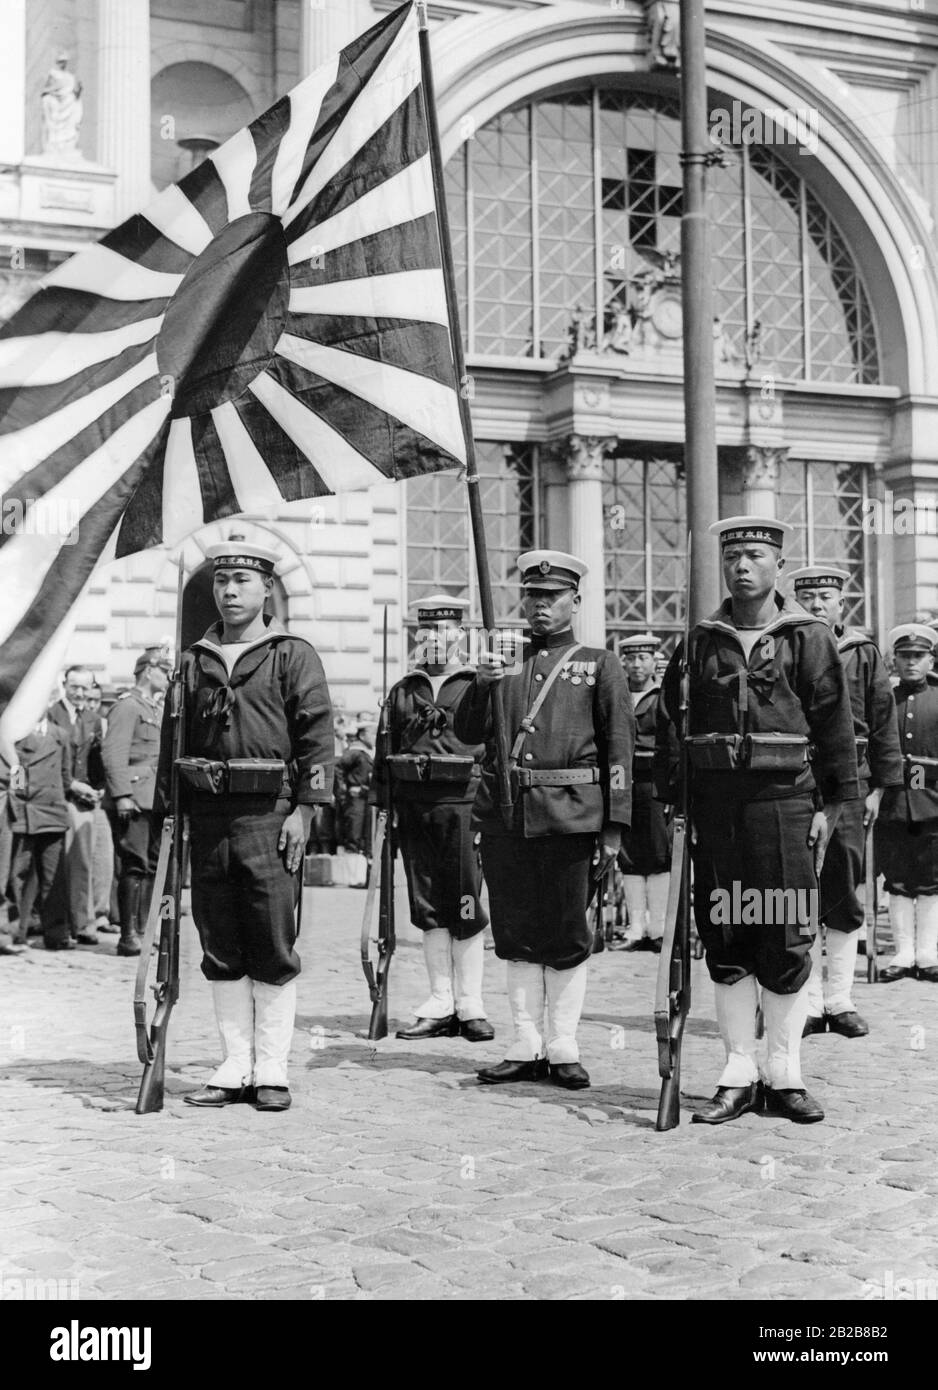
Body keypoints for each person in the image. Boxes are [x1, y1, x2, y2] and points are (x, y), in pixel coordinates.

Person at [655, 517, 858, 1125]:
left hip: (785, 804)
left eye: (754, 556)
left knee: (785, 928)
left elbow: (835, 725)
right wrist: (677, 803)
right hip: (717, 810)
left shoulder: (808, 637)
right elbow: (671, 724)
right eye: (733, 556)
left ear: (777, 564)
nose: (742, 566)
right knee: (728, 928)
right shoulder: (700, 640)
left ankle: (784, 1071)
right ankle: (738, 1069)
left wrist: (834, 803)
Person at [157, 534, 334, 1112]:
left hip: (269, 817)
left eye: (242, 582)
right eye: (220, 582)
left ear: (266, 589)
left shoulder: (291, 653)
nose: (229, 592)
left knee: (271, 939)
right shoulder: (192, 659)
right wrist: (170, 817)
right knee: (220, 941)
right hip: (208, 818)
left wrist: (305, 812)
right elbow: (172, 742)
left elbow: (316, 735)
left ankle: (272, 1069)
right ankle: (234, 1066)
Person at [454, 550, 634, 1090]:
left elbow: (618, 746)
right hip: (509, 816)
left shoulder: (599, 663)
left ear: (574, 601)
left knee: (565, 931)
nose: (539, 606)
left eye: (551, 597)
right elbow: (467, 732)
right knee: (514, 932)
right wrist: (481, 684)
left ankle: (563, 1043)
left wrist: (614, 825)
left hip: (572, 817)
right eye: (532, 596)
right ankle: (525, 1041)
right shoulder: (501, 661)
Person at [372, 594, 493, 1042]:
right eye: (426, 631)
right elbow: (383, 754)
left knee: (465, 900)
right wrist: (382, 812)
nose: (434, 639)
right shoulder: (405, 690)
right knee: (426, 904)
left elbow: (498, 750)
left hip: (465, 806)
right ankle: (441, 999)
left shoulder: (478, 684)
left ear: (460, 635)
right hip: (414, 808)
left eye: (444, 631)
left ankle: (471, 1002)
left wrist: (493, 811)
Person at [788, 567, 903, 1035]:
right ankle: (808, 1001)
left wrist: (878, 788)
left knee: (844, 883)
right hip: (795, 780)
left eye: (826, 598)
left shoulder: (863, 653)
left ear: (842, 605)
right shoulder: (785, 646)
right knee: (798, 888)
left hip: (851, 782)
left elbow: (882, 720)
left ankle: (839, 999)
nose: (817, 606)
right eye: (808, 598)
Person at [874, 624, 938, 983]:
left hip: (932, 805)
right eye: (905, 656)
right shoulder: (885, 699)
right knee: (897, 880)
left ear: (930, 659)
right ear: (894, 660)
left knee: (930, 880)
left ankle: (928, 955)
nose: (912, 663)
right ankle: (903, 953)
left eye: (919, 656)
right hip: (894, 804)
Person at [101, 647, 171, 958]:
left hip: (154, 798)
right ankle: (128, 934)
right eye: (164, 670)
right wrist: (122, 796)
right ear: (148, 670)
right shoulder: (127, 707)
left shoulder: (154, 709)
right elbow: (113, 754)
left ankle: (144, 930)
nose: (168, 677)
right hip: (133, 797)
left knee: (153, 866)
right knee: (134, 865)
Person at [617, 633, 671, 952]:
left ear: (654, 661)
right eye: (631, 658)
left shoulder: (662, 697)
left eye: (643, 658)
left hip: (654, 784)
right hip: (623, 782)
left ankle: (659, 928)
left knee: (658, 854)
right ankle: (636, 928)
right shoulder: (618, 695)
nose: (637, 665)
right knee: (628, 854)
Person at [48, 666, 109, 944]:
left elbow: (98, 761)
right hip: (57, 796)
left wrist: (99, 789)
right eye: (75, 687)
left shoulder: (95, 719)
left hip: (85, 801)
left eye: (85, 688)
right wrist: (72, 784)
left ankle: (83, 924)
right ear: (65, 685)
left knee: (84, 861)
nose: (80, 693)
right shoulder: (51, 714)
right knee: (57, 865)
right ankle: (62, 925)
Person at [5, 709, 71, 951]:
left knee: (54, 878)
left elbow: (65, 775)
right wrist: (21, 796)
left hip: (53, 811)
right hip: (24, 812)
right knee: (17, 876)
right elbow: (15, 774)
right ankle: (15, 932)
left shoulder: (60, 735)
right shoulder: (14, 734)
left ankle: (56, 934)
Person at [336, 718, 374, 855]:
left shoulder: (367, 752)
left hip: (367, 797)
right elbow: (338, 767)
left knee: (367, 832)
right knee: (354, 832)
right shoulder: (355, 752)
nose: (374, 737)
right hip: (356, 799)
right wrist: (343, 790)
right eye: (371, 733)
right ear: (362, 736)